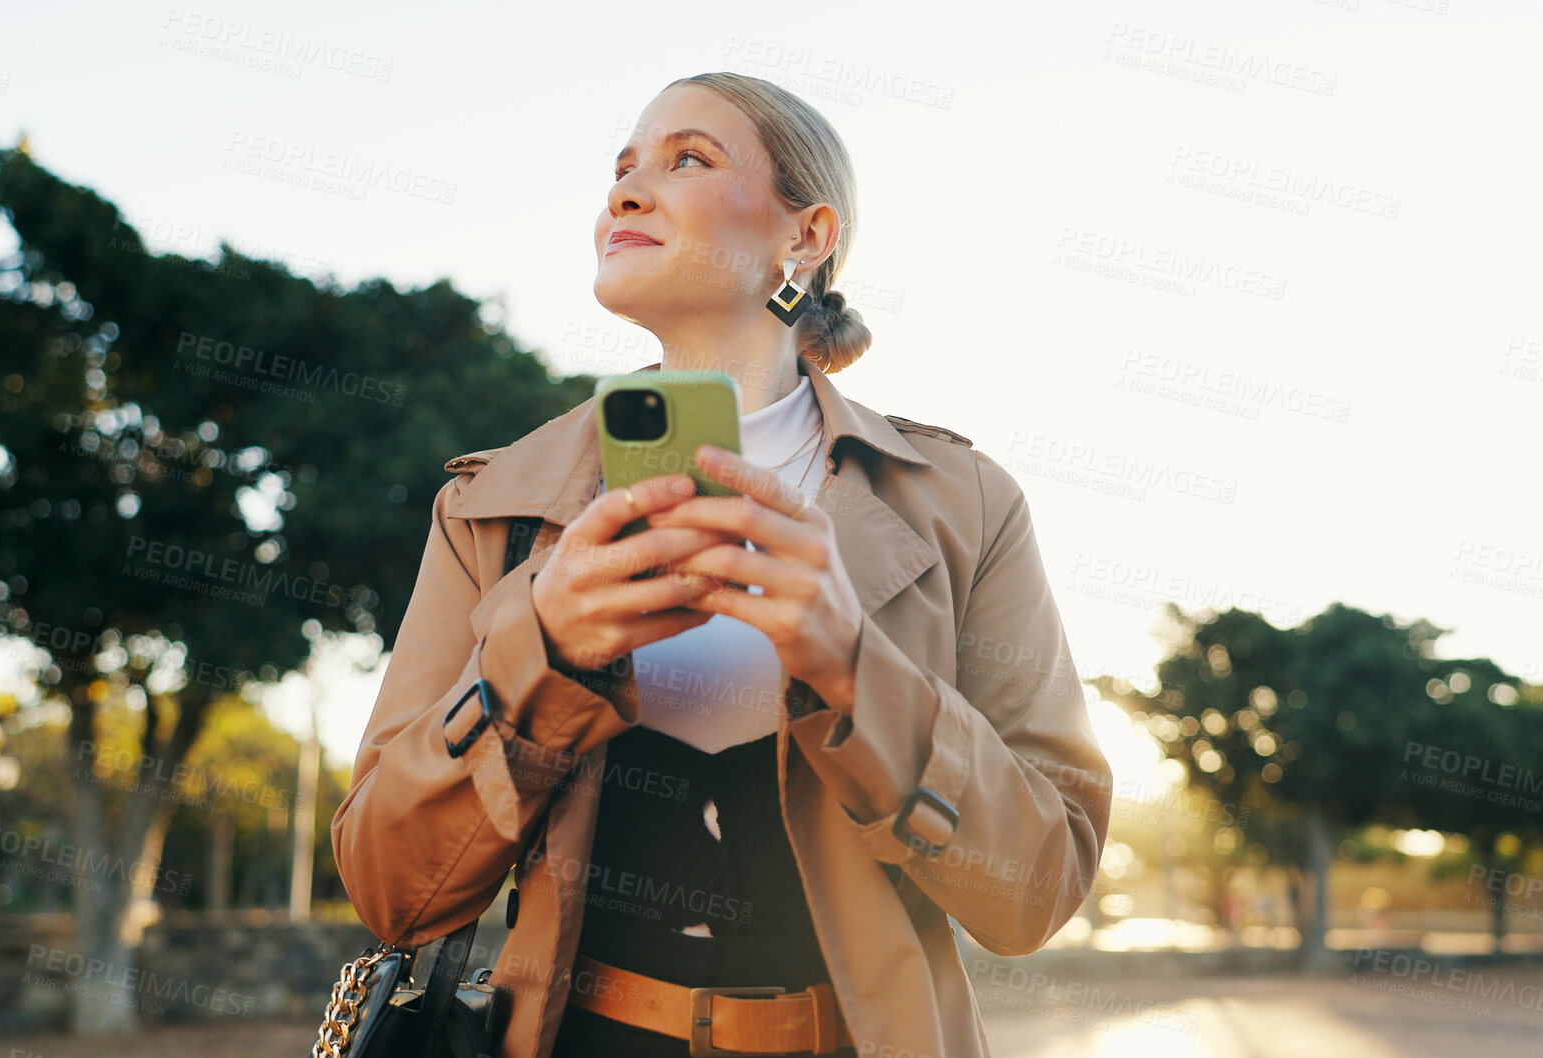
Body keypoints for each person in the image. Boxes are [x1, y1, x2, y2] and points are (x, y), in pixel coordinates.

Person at [332, 71, 1113, 1058]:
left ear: (807, 235)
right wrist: (543, 652)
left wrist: (850, 662)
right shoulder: (488, 506)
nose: (624, 191)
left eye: (686, 158)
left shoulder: (969, 501)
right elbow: (391, 885)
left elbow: (1036, 892)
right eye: (621, 169)